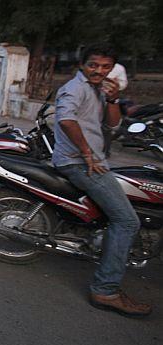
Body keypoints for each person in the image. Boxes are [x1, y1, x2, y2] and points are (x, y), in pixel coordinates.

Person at [52, 43, 151, 318]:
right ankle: (106, 290)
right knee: (127, 221)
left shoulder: (98, 90)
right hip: (81, 163)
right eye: (93, 65)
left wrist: (113, 100)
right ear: (82, 65)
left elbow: (112, 126)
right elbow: (66, 120)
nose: (99, 70)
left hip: (94, 160)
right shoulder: (75, 88)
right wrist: (86, 153)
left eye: (105, 66)